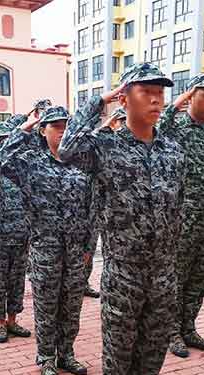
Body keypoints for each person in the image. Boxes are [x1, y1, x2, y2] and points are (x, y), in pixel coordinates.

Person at [58, 63, 185, 375]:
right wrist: (99, 101)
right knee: (119, 351)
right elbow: (67, 149)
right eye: (146, 91)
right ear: (125, 97)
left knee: (153, 349)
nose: (156, 100)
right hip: (123, 273)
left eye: (160, 92)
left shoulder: (172, 151)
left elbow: (179, 208)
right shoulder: (105, 147)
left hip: (163, 273)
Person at [1, 106, 92, 375]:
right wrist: (24, 128)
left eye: (66, 125)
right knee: (46, 305)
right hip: (45, 248)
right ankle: (46, 357)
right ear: (43, 130)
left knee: (71, 306)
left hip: (75, 250)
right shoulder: (31, 162)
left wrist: (89, 247)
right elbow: (0, 160)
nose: (63, 131)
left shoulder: (81, 162)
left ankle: (66, 354)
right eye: (56, 126)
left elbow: (92, 206)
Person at [158, 73, 204, 358]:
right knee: (177, 276)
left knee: (200, 277)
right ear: (191, 97)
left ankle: (188, 327)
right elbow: (158, 128)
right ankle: (171, 331)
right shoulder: (175, 129)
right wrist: (177, 103)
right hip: (182, 221)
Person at [0, 121, 31, 343]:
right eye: (1, 139)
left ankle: (13, 321)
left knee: (17, 282)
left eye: (7, 138)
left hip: (22, 236)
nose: (5, 142)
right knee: (0, 283)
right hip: (0, 240)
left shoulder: (22, 170)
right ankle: (0, 323)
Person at [83, 106, 128, 299]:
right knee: (88, 246)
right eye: (120, 121)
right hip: (93, 204)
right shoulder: (104, 144)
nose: (123, 125)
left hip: (118, 209)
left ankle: (85, 282)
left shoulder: (130, 146)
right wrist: (105, 128)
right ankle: (79, 282)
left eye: (125, 121)